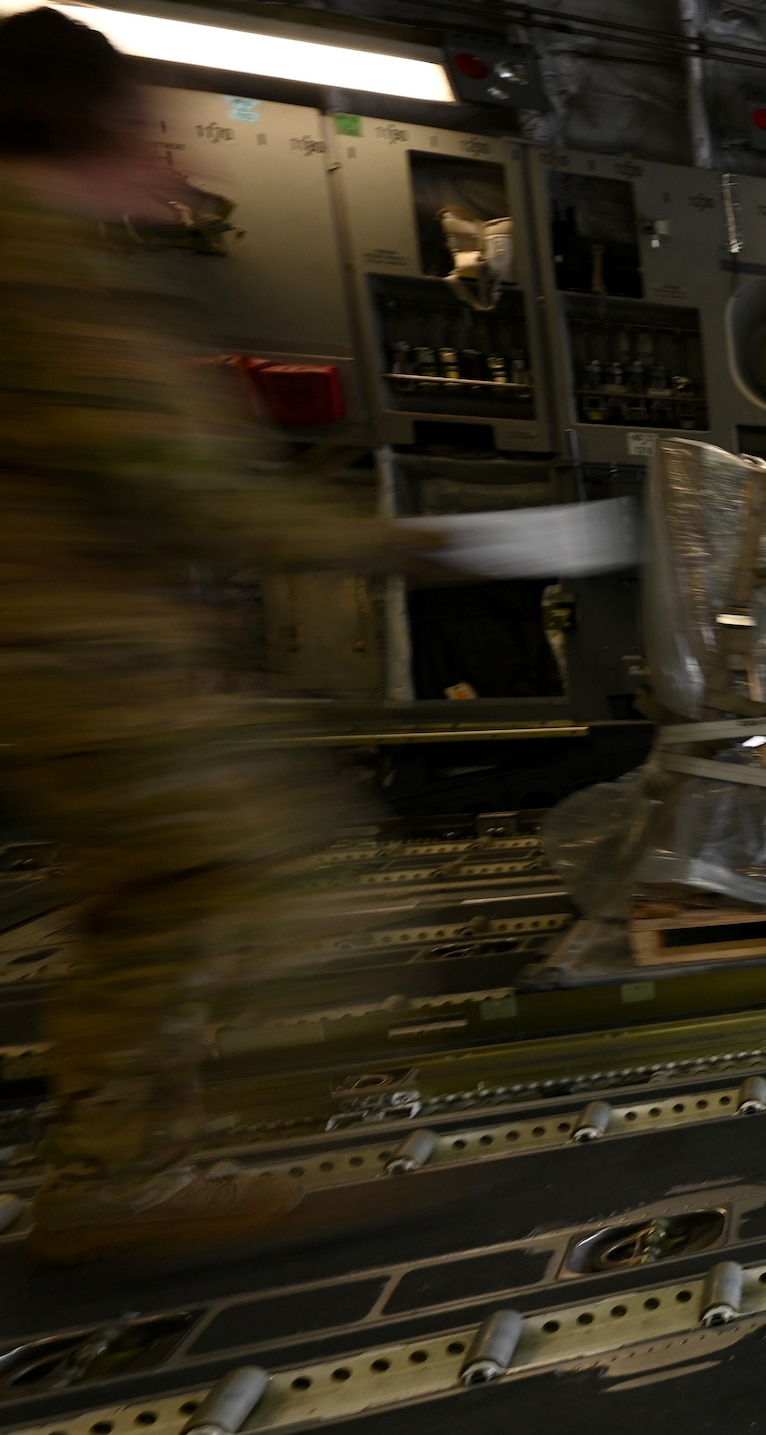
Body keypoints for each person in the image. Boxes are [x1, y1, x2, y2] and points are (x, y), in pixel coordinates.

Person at [0, 8, 441, 1265]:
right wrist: (425, 544)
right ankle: (130, 1176)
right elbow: (184, 483)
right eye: (138, 124)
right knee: (245, 871)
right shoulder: (33, 257)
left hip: (72, 654)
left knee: (147, 904)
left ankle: (120, 1166)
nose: (159, 150)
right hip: (78, 662)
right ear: (86, 121)